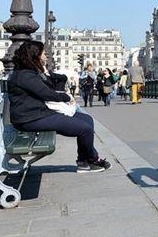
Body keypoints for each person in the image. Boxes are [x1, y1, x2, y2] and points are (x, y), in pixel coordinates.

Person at [7, 41, 111, 173]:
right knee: (85, 129)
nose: (46, 57)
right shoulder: (25, 75)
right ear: (35, 56)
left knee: (87, 120)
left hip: (38, 113)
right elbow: (46, 93)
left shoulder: (30, 73)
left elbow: (49, 87)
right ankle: (92, 159)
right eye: (43, 54)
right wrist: (67, 97)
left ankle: (83, 161)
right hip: (30, 119)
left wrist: (45, 72)